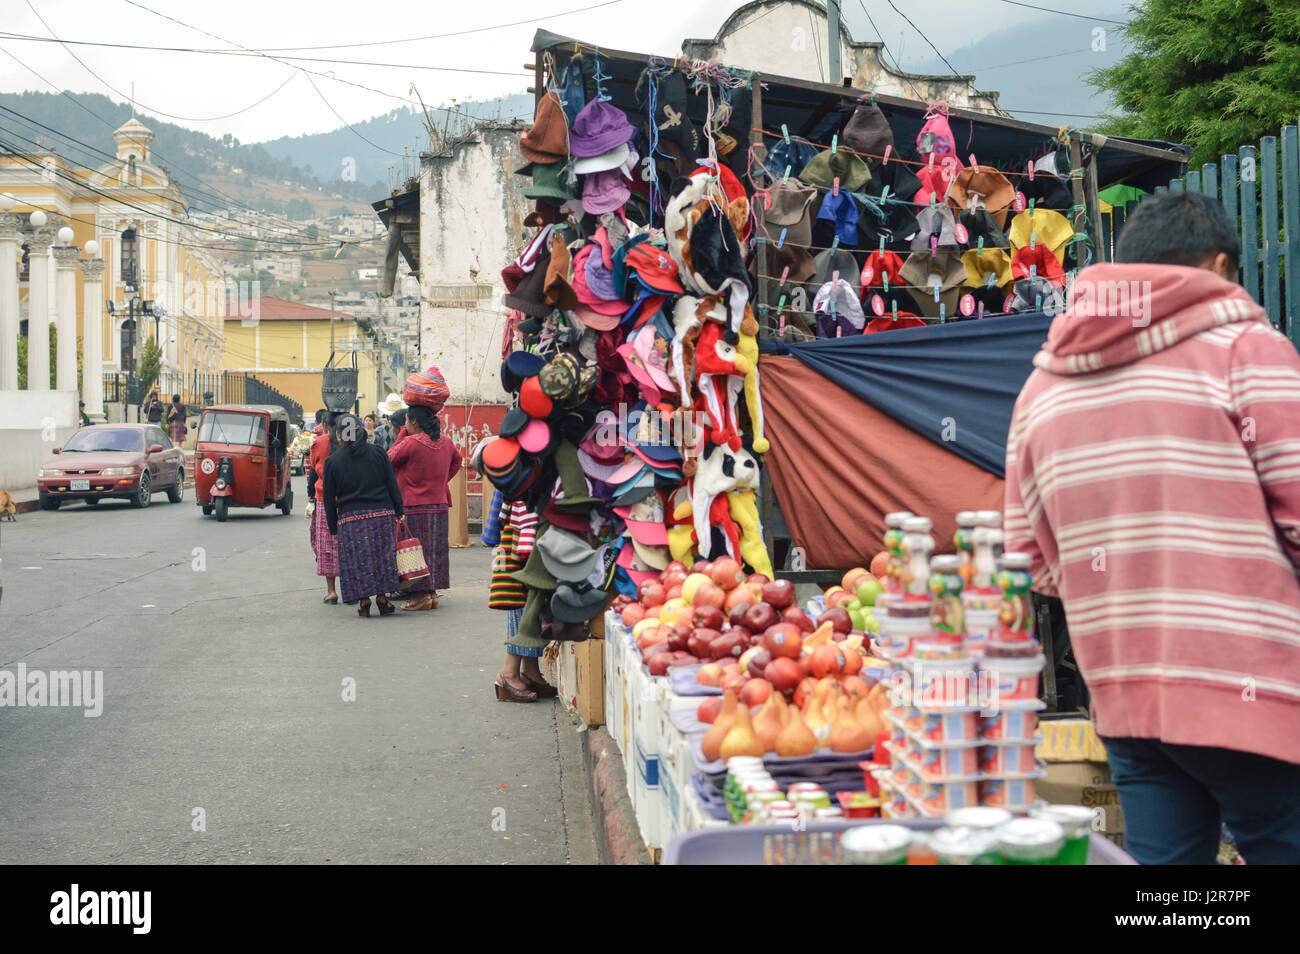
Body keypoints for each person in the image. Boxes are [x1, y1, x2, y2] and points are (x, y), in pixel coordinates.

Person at [1003, 191, 1300, 864]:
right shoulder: (1248, 350)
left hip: (1124, 691)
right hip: (1251, 685)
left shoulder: (1041, 389)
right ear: (1221, 266)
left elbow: (1034, 563)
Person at [323, 413, 404, 617]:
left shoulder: (333, 461)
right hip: (381, 514)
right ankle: (383, 598)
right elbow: (391, 483)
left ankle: (364, 600)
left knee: (357, 561)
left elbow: (328, 499)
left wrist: (333, 526)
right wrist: (399, 510)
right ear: (360, 430)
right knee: (382, 557)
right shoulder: (377, 453)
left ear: (340, 436)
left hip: (351, 519)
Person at [387, 404, 461, 610]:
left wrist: (402, 434)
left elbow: (388, 459)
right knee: (434, 549)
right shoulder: (445, 441)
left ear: (414, 422)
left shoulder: (411, 442)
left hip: (414, 504)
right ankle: (431, 592)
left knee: (415, 550)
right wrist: (442, 480)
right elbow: (457, 461)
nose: (405, 425)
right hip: (438, 503)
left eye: (406, 421)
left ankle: (420, 595)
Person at [306, 411, 339, 604]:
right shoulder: (351, 442)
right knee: (348, 545)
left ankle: (332, 591)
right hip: (348, 499)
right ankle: (351, 588)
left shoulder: (319, 443)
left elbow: (313, 470)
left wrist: (310, 494)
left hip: (324, 499)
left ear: (325, 426)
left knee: (327, 545)